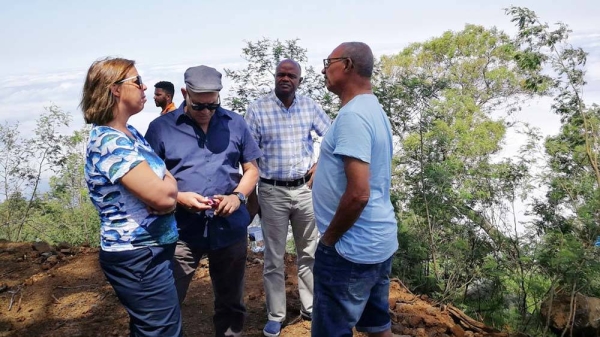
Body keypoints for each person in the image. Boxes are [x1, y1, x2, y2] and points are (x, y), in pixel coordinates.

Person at [145, 65, 261, 337]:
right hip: (181, 230)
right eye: (200, 106)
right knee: (167, 297)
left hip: (228, 228)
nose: (207, 112)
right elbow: (150, 179)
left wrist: (238, 196)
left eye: (213, 105)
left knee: (231, 300)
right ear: (185, 93)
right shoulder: (161, 129)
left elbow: (252, 169)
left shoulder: (236, 123)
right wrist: (179, 197)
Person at [81, 57, 182, 337]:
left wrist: (167, 187)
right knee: (162, 332)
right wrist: (167, 190)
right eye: (137, 81)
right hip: (137, 256)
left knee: (151, 329)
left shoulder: (129, 134)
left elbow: (165, 183)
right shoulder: (110, 142)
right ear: (115, 89)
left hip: (148, 251)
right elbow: (162, 197)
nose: (144, 86)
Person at [311, 42, 398, 337]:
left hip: (350, 249)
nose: (324, 69)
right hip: (377, 241)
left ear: (347, 65)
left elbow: (359, 192)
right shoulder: (372, 108)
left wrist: (329, 240)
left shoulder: (352, 117)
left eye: (329, 62)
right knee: (377, 327)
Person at [245, 59, 331, 337]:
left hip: (305, 190)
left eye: (291, 75)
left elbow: (331, 136)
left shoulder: (309, 106)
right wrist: (252, 193)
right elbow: (248, 154)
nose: (286, 79)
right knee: (274, 257)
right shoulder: (258, 109)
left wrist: (319, 165)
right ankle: (276, 315)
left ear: (299, 81)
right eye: (281, 74)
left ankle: (310, 308)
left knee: (309, 253)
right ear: (275, 77)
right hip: (272, 191)